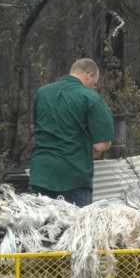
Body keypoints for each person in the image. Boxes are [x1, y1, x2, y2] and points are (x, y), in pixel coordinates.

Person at [29, 58, 115, 207]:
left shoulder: (42, 93)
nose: (93, 87)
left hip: (40, 174)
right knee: (75, 228)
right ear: (90, 75)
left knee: (39, 228)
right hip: (73, 177)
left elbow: (40, 129)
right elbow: (100, 145)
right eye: (94, 84)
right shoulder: (91, 98)